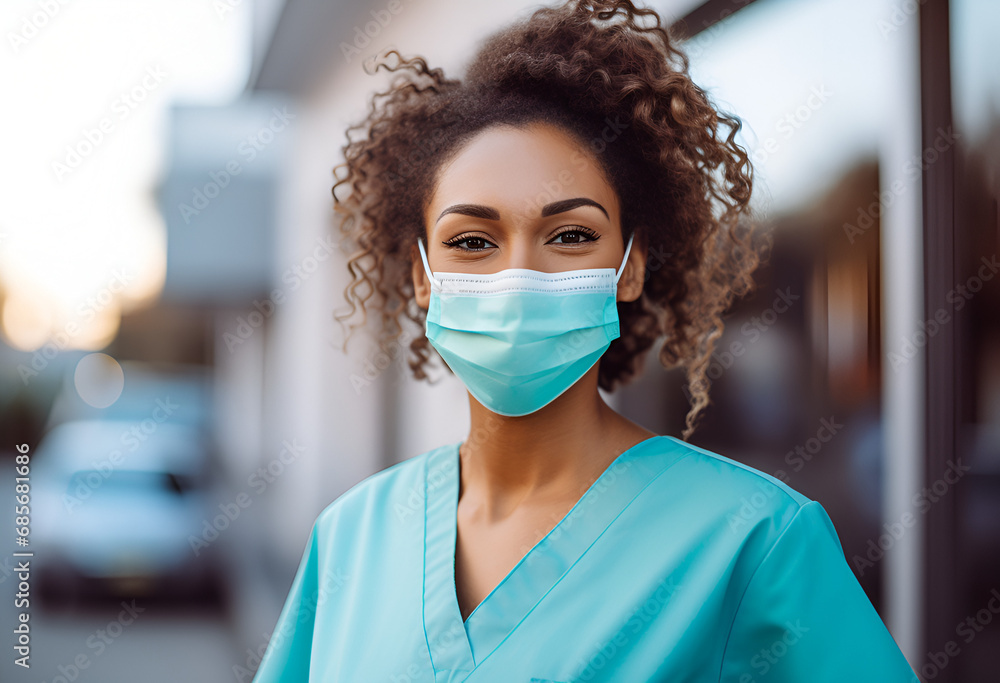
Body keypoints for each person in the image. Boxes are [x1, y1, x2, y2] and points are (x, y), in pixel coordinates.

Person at [252, 1, 919, 680]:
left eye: (570, 236)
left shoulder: (754, 542)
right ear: (422, 277)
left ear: (629, 266)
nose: (518, 275)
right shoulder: (350, 539)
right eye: (472, 241)